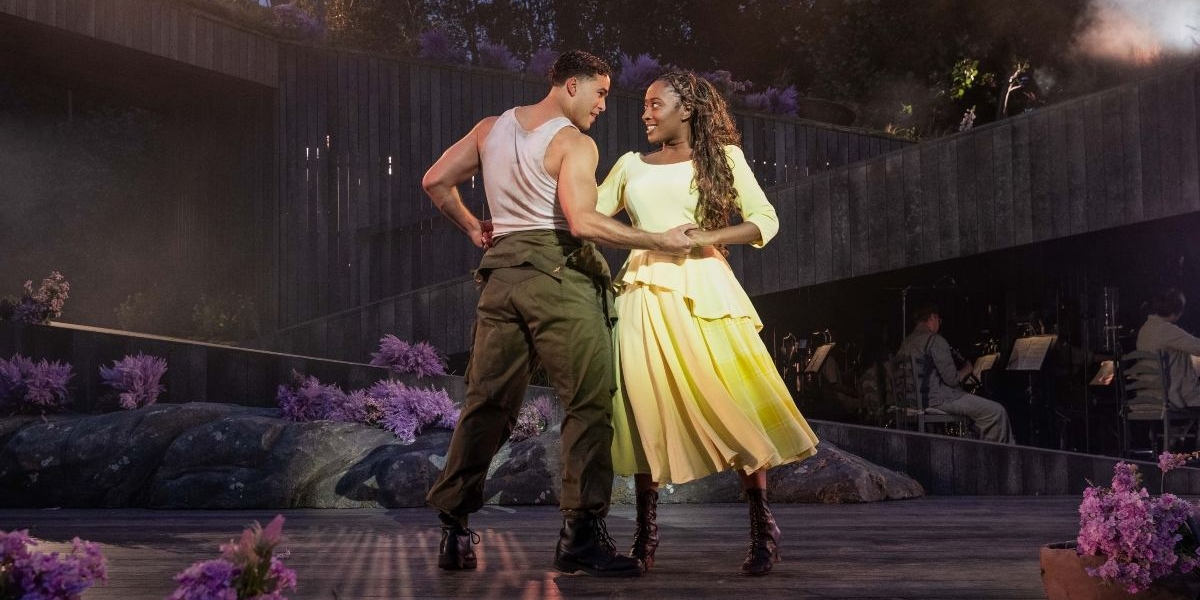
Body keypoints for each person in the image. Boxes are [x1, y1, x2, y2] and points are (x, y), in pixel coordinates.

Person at [420, 50, 694, 577]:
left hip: (501, 280)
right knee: (588, 403)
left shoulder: (489, 130)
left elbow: (435, 181)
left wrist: (474, 226)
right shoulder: (573, 142)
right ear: (572, 85)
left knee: (486, 404)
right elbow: (584, 222)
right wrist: (661, 239)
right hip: (558, 276)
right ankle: (579, 539)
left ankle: (453, 529)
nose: (603, 106)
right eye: (600, 93)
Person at [596, 70, 820, 576]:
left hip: (707, 292)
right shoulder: (630, 165)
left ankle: (762, 524)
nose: (645, 113)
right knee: (645, 406)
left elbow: (765, 220)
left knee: (735, 398)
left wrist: (705, 237)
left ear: (687, 109)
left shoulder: (724, 159)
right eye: (645, 105)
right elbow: (589, 218)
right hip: (642, 294)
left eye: (655, 104)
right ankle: (646, 532)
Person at [896, 305, 1014, 444]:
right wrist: (967, 369)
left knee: (978, 412)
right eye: (939, 321)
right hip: (935, 400)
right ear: (932, 317)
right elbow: (952, 380)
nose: (939, 324)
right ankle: (997, 454)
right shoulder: (934, 339)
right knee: (996, 411)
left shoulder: (906, 342)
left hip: (911, 401)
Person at [1135, 288, 1200, 407]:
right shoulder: (1167, 330)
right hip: (1170, 399)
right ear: (1176, 312)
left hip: (1147, 397)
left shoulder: (1145, 328)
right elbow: (1198, 348)